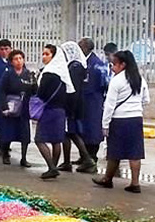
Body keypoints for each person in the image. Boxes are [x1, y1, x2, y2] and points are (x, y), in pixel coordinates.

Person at [93, 50, 149, 193]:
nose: (112, 67)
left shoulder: (116, 80)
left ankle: (107, 178)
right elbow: (146, 100)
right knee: (135, 152)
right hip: (136, 119)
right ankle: (135, 183)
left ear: (122, 65)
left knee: (114, 151)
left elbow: (109, 105)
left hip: (119, 120)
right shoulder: (139, 79)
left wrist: (105, 124)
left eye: (114, 64)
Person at [58, 42, 95, 173]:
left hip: (71, 104)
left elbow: (72, 88)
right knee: (68, 133)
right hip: (75, 103)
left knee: (71, 132)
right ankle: (68, 162)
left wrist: (69, 108)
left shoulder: (74, 67)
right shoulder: (78, 66)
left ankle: (87, 160)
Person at [33, 44, 69, 180]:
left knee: (39, 140)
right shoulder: (63, 74)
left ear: (54, 56)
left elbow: (41, 94)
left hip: (48, 110)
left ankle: (52, 167)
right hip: (60, 111)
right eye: (43, 54)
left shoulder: (47, 74)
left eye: (47, 54)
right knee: (56, 140)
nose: (43, 57)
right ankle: (52, 167)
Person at [0, 49, 36, 167]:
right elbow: (1, 91)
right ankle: (5, 154)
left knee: (24, 134)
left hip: (24, 107)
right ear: (11, 61)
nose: (19, 61)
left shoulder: (28, 74)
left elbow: (35, 91)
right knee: (8, 132)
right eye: (16, 59)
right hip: (11, 105)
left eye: (20, 58)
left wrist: (34, 83)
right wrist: (4, 106)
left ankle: (24, 158)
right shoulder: (8, 74)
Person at [78, 37, 108, 165]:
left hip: (94, 101)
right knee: (81, 128)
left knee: (93, 128)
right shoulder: (81, 62)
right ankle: (83, 156)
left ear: (85, 48)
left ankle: (92, 155)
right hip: (82, 100)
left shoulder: (97, 64)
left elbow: (104, 83)